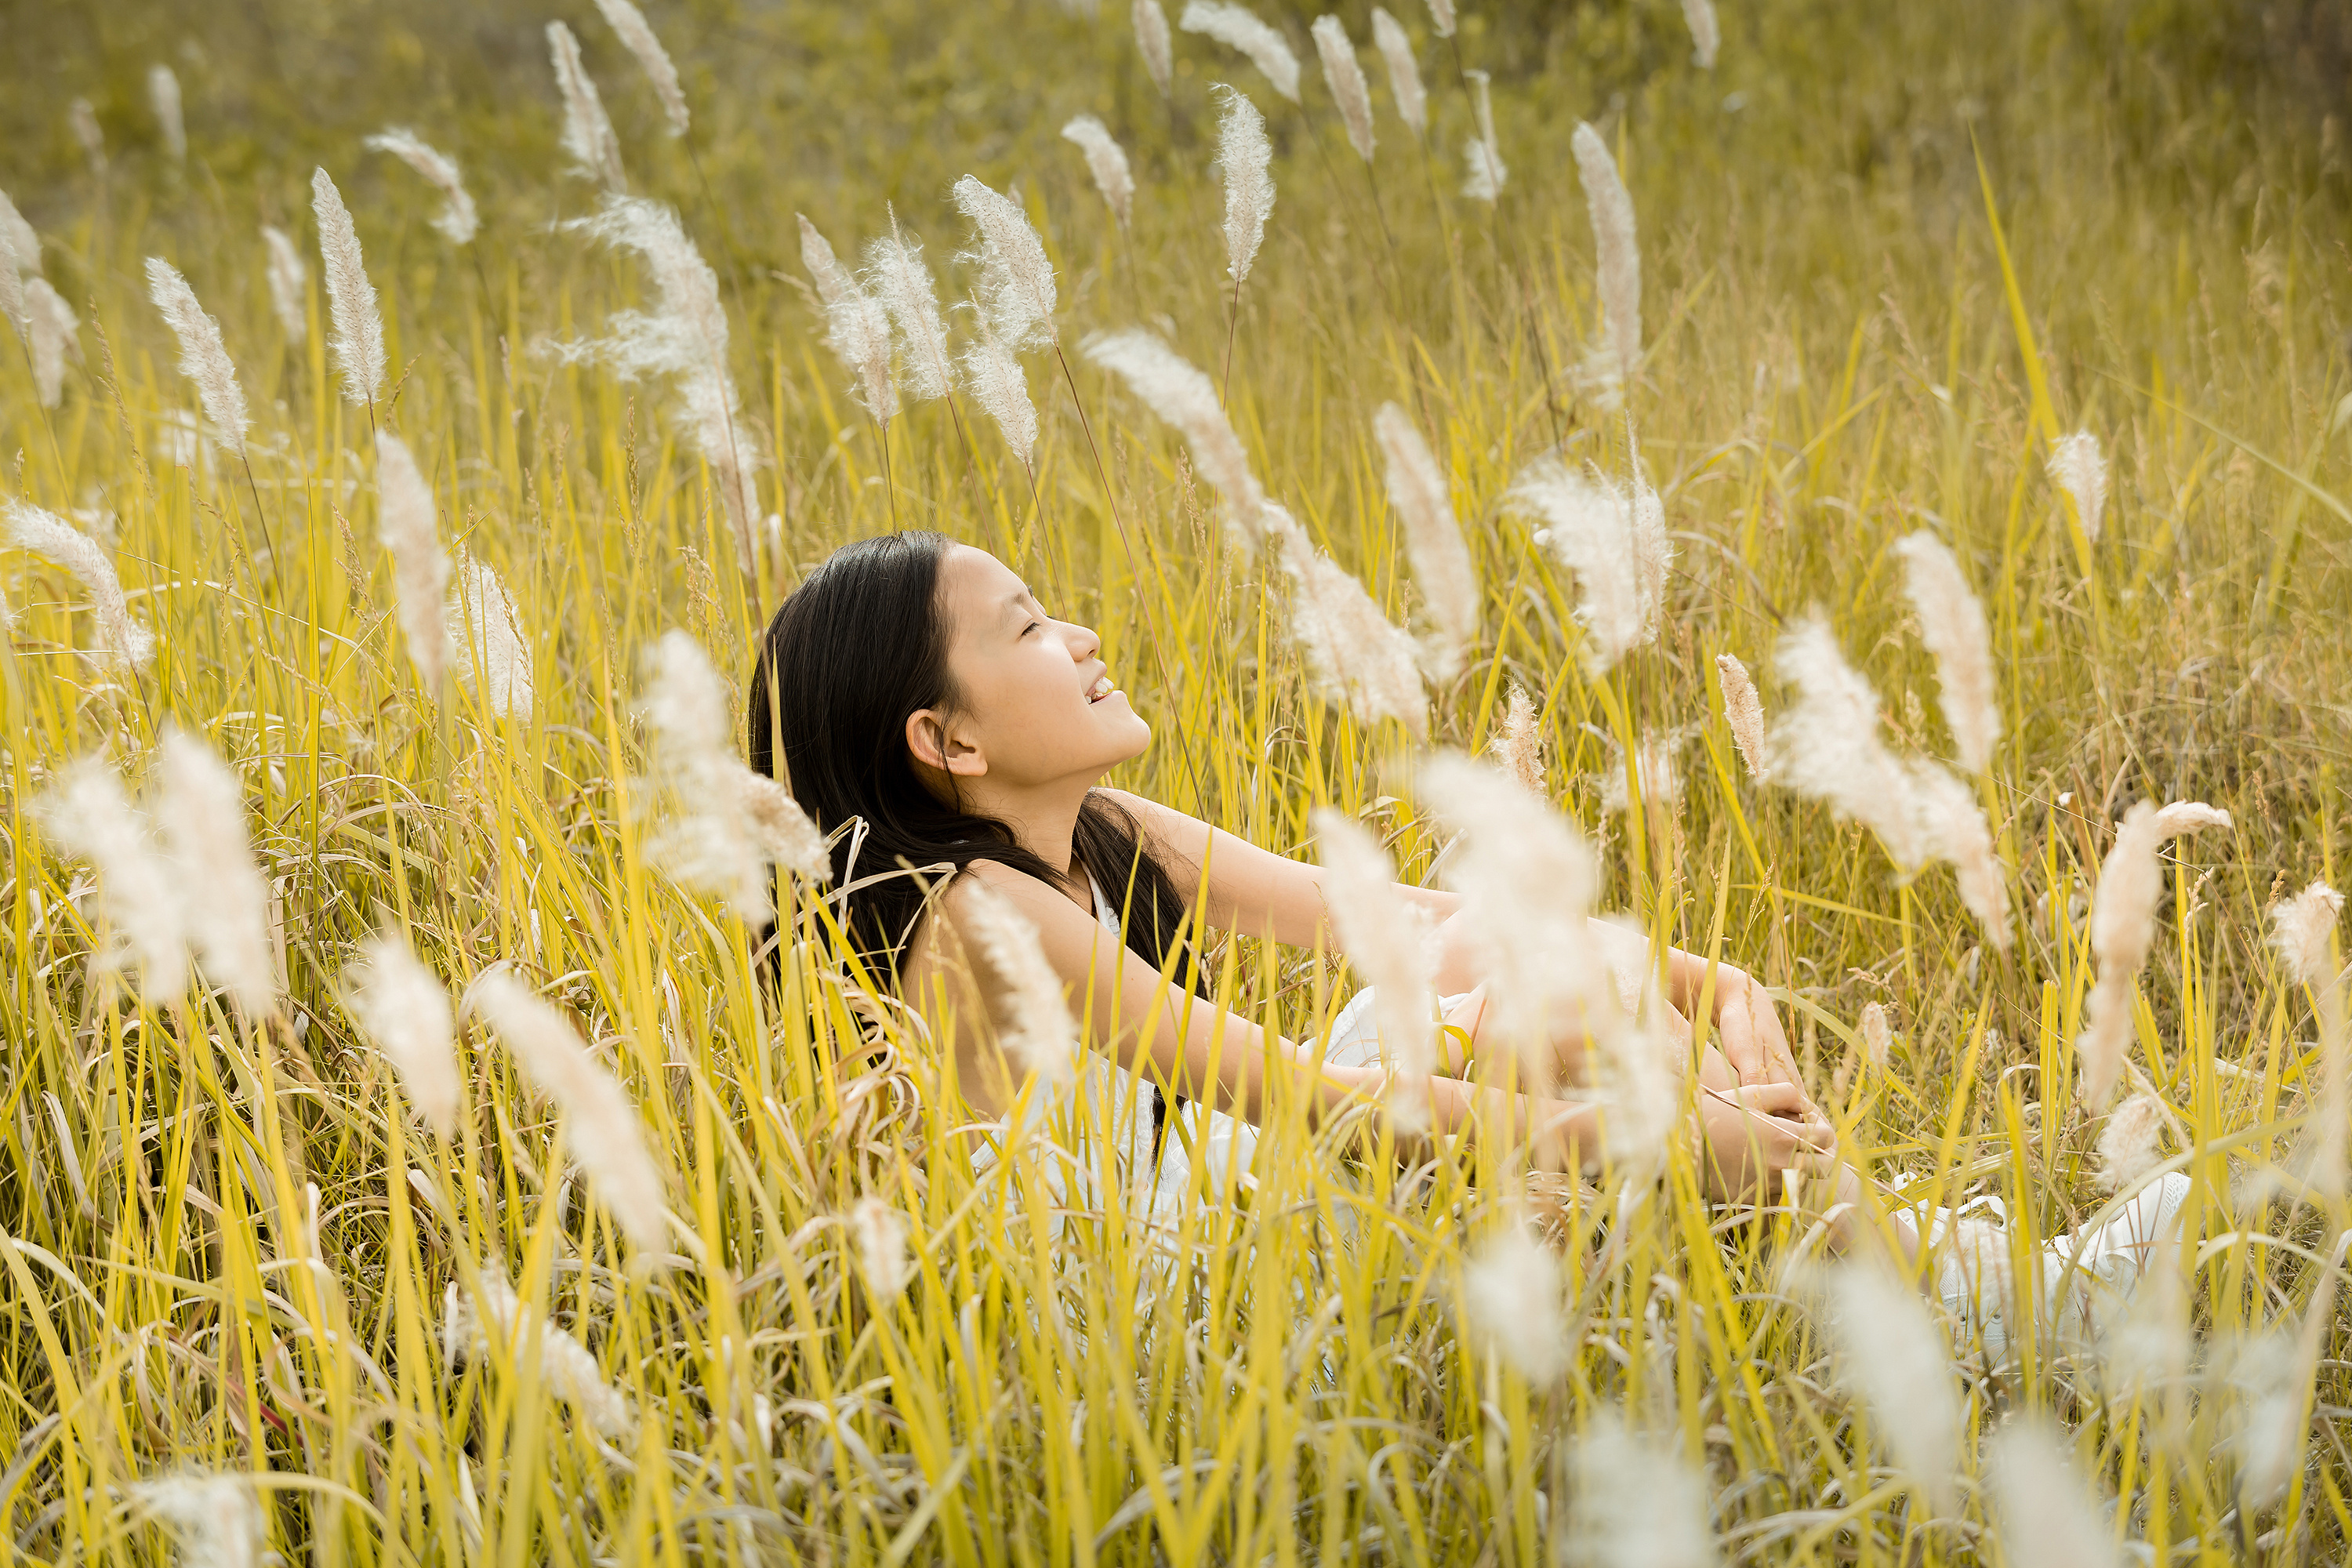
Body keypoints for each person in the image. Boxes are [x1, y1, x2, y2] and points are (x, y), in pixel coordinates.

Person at [747, 531, 2188, 1359]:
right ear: (949, 739)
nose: (1079, 633)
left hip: (1226, 1200)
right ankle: (2002, 1312)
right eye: (1026, 629)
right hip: (1161, 1306)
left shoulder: (1101, 825)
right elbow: (1322, 1104)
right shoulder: (985, 915)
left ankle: (1969, 1296)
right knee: (1542, 1044)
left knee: (1548, 980)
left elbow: (1412, 920)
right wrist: (1675, 1141)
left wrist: (1701, 978)